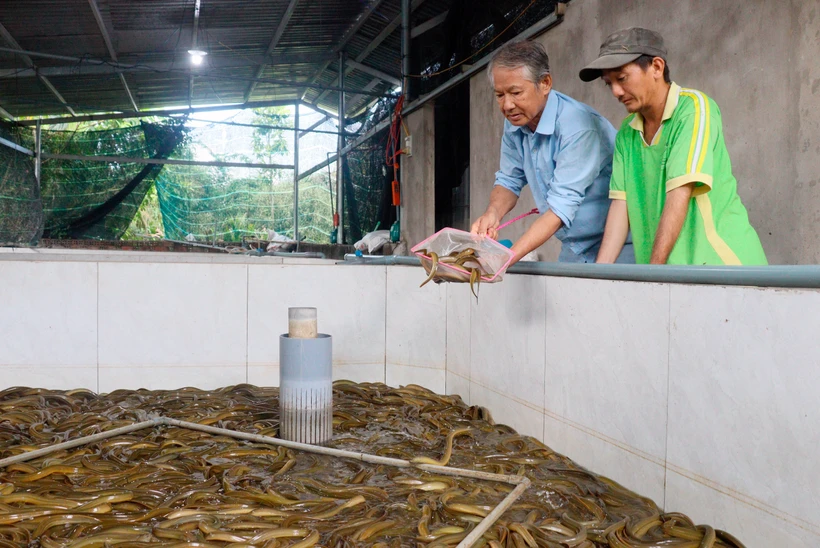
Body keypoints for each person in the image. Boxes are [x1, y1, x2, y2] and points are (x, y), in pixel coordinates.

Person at [580, 27, 767, 265]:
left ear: (657, 67)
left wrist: (653, 273)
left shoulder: (693, 109)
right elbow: (620, 206)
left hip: (723, 266)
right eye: (609, 83)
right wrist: (600, 275)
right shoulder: (626, 134)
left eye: (622, 78)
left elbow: (680, 191)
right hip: (671, 275)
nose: (616, 91)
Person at [471, 40, 634, 264]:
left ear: (545, 83)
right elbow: (509, 180)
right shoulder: (516, 123)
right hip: (575, 245)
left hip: (621, 243)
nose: (507, 105)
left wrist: (505, 259)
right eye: (500, 95)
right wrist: (492, 214)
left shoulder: (578, 128)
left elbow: (560, 208)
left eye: (516, 92)